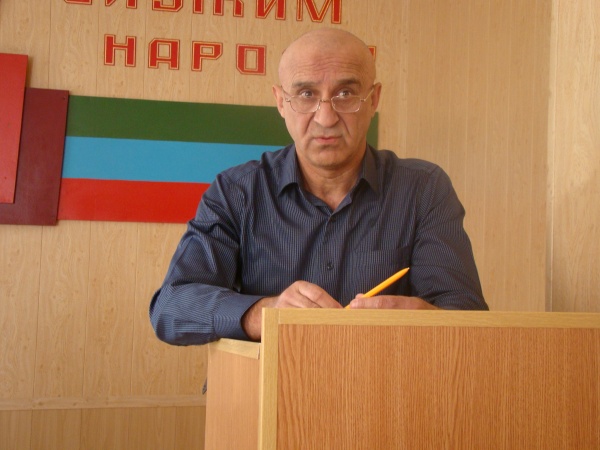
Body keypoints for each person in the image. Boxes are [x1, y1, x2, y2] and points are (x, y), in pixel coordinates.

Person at [150, 28, 488, 346]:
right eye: (306, 94)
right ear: (281, 102)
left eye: (346, 94)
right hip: (262, 385)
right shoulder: (237, 191)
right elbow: (171, 307)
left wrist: (430, 320)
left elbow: (467, 314)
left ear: (374, 99)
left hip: (382, 383)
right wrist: (264, 313)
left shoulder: (423, 189)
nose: (326, 118)